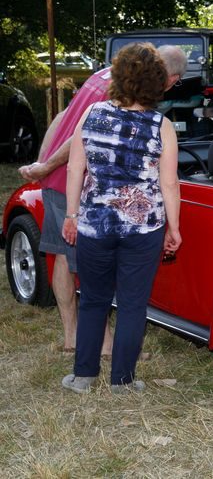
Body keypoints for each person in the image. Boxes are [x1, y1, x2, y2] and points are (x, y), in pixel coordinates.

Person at [19, 46, 187, 353]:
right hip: (77, 182)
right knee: (86, 270)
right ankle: (105, 344)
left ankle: (73, 337)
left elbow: (62, 117)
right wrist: (46, 166)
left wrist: (43, 162)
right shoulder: (126, 92)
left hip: (60, 181)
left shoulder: (103, 75)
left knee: (64, 259)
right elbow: (78, 139)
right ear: (169, 77)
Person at [60, 43, 182, 393]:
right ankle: (123, 381)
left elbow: (75, 169)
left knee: (94, 299)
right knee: (131, 303)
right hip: (144, 229)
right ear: (157, 83)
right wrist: (174, 227)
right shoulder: (163, 126)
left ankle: (83, 377)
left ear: (117, 77)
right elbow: (170, 183)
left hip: (94, 225)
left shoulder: (92, 114)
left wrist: (71, 214)